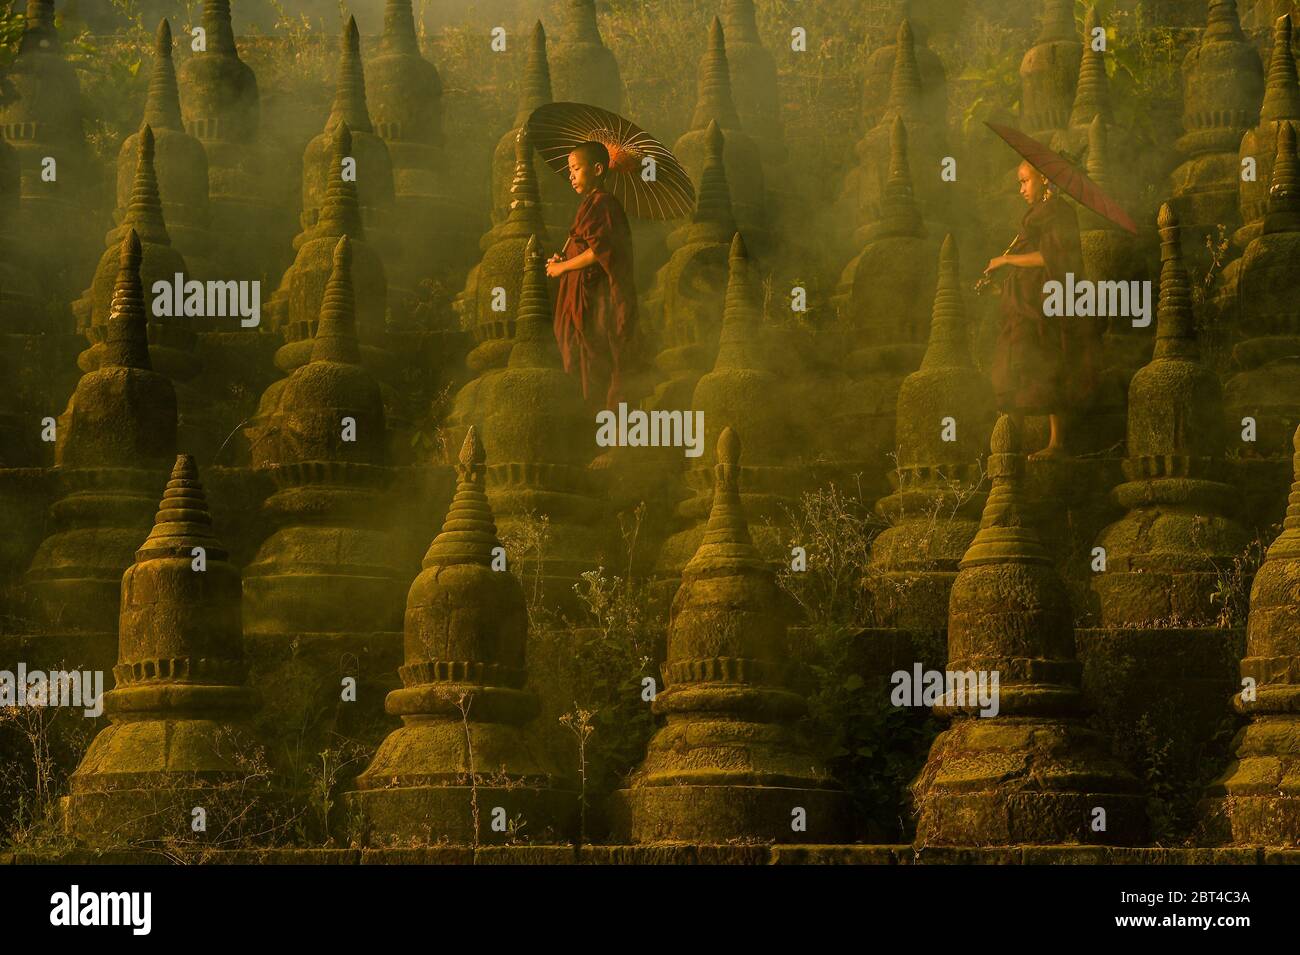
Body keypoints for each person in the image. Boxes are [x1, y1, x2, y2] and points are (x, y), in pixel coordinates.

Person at [984, 160, 1099, 460]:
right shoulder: (1036, 215)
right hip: (1025, 300)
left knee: (1049, 360)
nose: (1021, 189)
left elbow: (1052, 258)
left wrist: (1006, 261)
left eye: (1024, 181)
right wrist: (1002, 282)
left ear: (1044, 178)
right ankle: (1012, 440)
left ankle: (1057, 443)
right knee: (1014, 363)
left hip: (1047, 301)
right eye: (1019, 183)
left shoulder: (1059, 212)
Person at [546, 141, 638, 410]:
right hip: (579, 297)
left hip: (596, 301)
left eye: (575, 168)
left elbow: (602, 252)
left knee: (594, 364)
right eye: (569, 170)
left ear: (597, 169)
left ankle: (599, 427)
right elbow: (586, 247)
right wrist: (563, 259)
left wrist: (562, 268)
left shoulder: (604, 203)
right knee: (579, 361)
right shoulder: (589, 205)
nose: (570, 175)